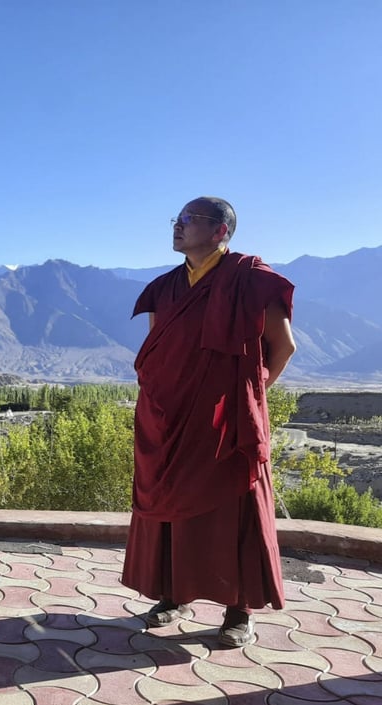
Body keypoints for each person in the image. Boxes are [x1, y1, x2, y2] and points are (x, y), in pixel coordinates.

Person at [121, 196, 296, 648]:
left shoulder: (250, 281)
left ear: (220, 231)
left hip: (227, 421)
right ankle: (173, 594)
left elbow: (283, 346)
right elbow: (161, 354)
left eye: (187, 220)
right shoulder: (164, 288)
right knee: (171, 504)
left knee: (233, 508)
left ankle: (240, 610)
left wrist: (250, 397)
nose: (177, 227)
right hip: (169, 418)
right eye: (176, 219)